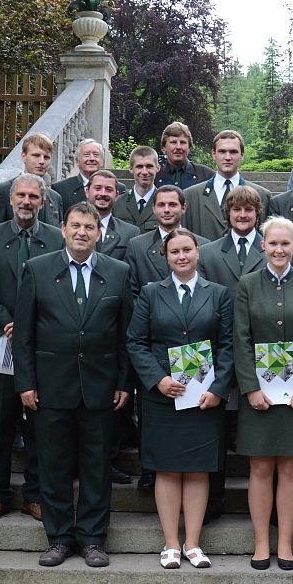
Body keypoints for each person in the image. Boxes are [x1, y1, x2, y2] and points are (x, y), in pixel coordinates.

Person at [12, 202, 133, 568]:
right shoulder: (37, 269)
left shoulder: (118, 272)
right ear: (63, 230)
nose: (82, 232)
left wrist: (124, 381)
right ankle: (60, 538)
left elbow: (125, 334)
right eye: (75, 226)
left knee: (97, 466)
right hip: (50, 387)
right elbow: (24, 334)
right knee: (54, 466)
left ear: (99, 233)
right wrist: (25, 383)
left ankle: (93, 538)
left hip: (101, 388)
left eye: (89, 227)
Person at [126, 228, 234, 570]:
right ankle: (171, 544)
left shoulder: (219, 294)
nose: (182, 256)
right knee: (168, 471)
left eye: (187, 249)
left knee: (199, 470)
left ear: (198, 252)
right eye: (175, 251)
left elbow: (228, 345)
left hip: (204, 398)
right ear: (166, 256)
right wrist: (157, 379)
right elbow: (136, 342)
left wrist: (218, 389)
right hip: (163, 398)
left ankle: (193, 544)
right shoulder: (150, 293)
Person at [232, 216, 293, 570]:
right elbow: (241, 338)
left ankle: (285, 543)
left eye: (286, 243)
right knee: (259, 468)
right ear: (262, 246)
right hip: (259, 396)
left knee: (290, 468)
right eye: (273, 243)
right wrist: (250, 388)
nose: (279, 249)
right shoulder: (247, 284)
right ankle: (261, 543)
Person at [0, 174, 61, 524]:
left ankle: (34, 496)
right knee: (0, 424)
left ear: (42, 202)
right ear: (11, 199)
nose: (26, 201)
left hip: (42, 347)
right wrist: (8, 322)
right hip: (1, 344)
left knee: (39, 424)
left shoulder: (56, 239)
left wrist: (33, 327)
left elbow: (59, 287)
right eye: (21, 195)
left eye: (33, 197)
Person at [124, 185, 208, 490]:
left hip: (194, 344)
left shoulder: (203, 245)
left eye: (173, 204)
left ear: (183, 208)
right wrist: (153, 317)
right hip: (153, 338)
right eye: (161, 205)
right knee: (151, 411)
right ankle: (150, 468)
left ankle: (192, 467)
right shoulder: (136, 245)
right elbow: (132, 290)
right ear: (154, 209)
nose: (167, 209)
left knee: (193, 414)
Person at [196, 185, 267, 522]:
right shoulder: (208, 254)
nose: (242, 215)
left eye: (248, 210)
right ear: (228, 214)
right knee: (216, 429)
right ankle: (213, 499)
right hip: (218, 351)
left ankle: (265, 503)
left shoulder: (272, 248)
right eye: (236, 209)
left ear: (258, 214)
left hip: (263, 352)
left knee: (263, 426)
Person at [183, 130, 272, 240]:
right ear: (213, 154)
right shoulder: (191, 196)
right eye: (222, 152)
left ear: (242, 155)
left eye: (233, 152)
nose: (228, 157)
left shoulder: (262, 195)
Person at [0, 133, 63, 228]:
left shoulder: (55, 198)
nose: (42, 161)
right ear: (23, 156)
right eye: (36, 155)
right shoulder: (1, 192)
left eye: (46, 157)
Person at [84, 169, 139, 261]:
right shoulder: (70, 228)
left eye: (108, 190)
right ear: (87, 192)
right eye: (97, 188)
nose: (103, 193)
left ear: (116, 195)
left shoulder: (130, 232)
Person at [112, 145, 161, 233]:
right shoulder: (117, 203)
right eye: (139, 166)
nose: (144, 172)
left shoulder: (164, 203)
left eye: (149, 166)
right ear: (131, 169)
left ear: (157, 168)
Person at [158, 122, 215, 188]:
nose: (178, 147)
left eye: (182, 142)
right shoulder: (155, 176)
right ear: (164, 147)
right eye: (173, 142)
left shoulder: (206, 174)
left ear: (189, 147)